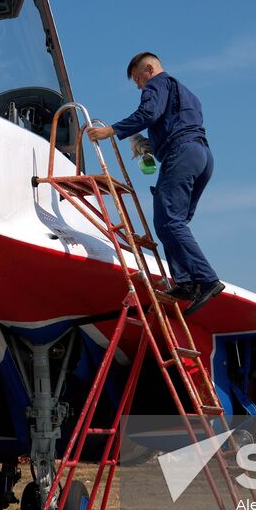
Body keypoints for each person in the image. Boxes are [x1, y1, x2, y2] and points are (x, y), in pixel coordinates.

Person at [88, 52, 225, 314]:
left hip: (182, 154)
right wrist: (149, 145)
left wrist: (112, 131)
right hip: (202, 156)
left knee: (168, 222)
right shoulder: (187, 94)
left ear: (149, 70)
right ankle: (186, 282)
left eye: (138, 80)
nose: (139, 87)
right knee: (172, 223)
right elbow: (177, 128)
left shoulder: (157, 84)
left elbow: (148, 113)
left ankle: (206, 279)